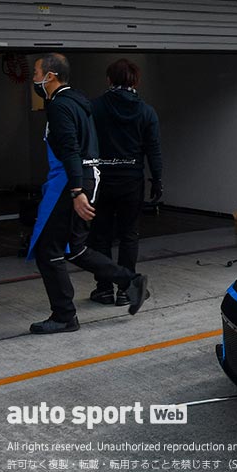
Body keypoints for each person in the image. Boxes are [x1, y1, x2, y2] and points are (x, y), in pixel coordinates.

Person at [27, 54, 149, 333]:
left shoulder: (60, 106)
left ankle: (64, 316)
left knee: (50, 251)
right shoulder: (76, 101)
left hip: (72, 180)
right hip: (84, 176)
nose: (33, 78)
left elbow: (70, 148)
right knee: (75, 247)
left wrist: (77, 191)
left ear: (51, 75)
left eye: (36, 72)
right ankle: (130, 280)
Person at [88, 59, 164, 306]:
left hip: (102, 179)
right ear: (136, 81)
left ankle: (103, 289)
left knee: (100, 235)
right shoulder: (146, 111)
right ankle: (126, 289)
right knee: (129, 235)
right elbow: (153, 149)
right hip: (132, 179)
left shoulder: (95, 107)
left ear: (109, 80)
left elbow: (85, 144)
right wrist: (157, 179)